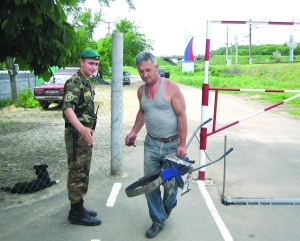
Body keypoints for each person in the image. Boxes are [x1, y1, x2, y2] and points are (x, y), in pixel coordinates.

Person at [125, 51, 187, 238]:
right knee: (150, 185)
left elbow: (181, 115)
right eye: (141, 71)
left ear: (157, 67)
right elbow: (143, 112)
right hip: (151, 144)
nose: (144, 75)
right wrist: (134, 132)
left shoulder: (171, 88)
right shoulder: (140, 91)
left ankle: (168, 205)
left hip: (172, 145)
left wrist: (182, 144)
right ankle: (158, 220)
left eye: (148, 70)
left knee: (169, 186)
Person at [62, 49, 102, 226]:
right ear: (81, 62)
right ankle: (76, 214)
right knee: (77, 171)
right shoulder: (74, 82)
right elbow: (67, 108)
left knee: (83, 170)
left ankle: (78, 207)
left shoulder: (85, 82)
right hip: (76, 137)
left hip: (84, 136)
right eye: (91, 63)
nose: (94, 67)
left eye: (96, 64)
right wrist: (81, 128)